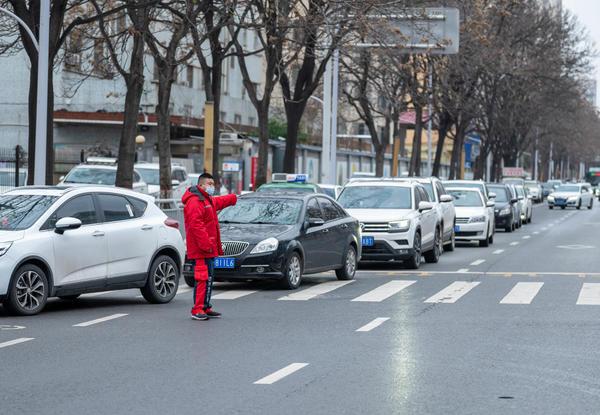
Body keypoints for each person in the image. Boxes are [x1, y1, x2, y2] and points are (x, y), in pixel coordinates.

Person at [182, 173, 237, 320]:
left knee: (208, 279)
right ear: (201, 185)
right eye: (209, 183)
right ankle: (197, 309)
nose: (212, 186)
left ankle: (205, 307)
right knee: (202, 279)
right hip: (201, 250)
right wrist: (206, 245)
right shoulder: (195, 201)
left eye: (213, 184)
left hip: (208, 249)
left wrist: (234, 198)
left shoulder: (206, 199)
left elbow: (218, 202)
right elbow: (196, 226)